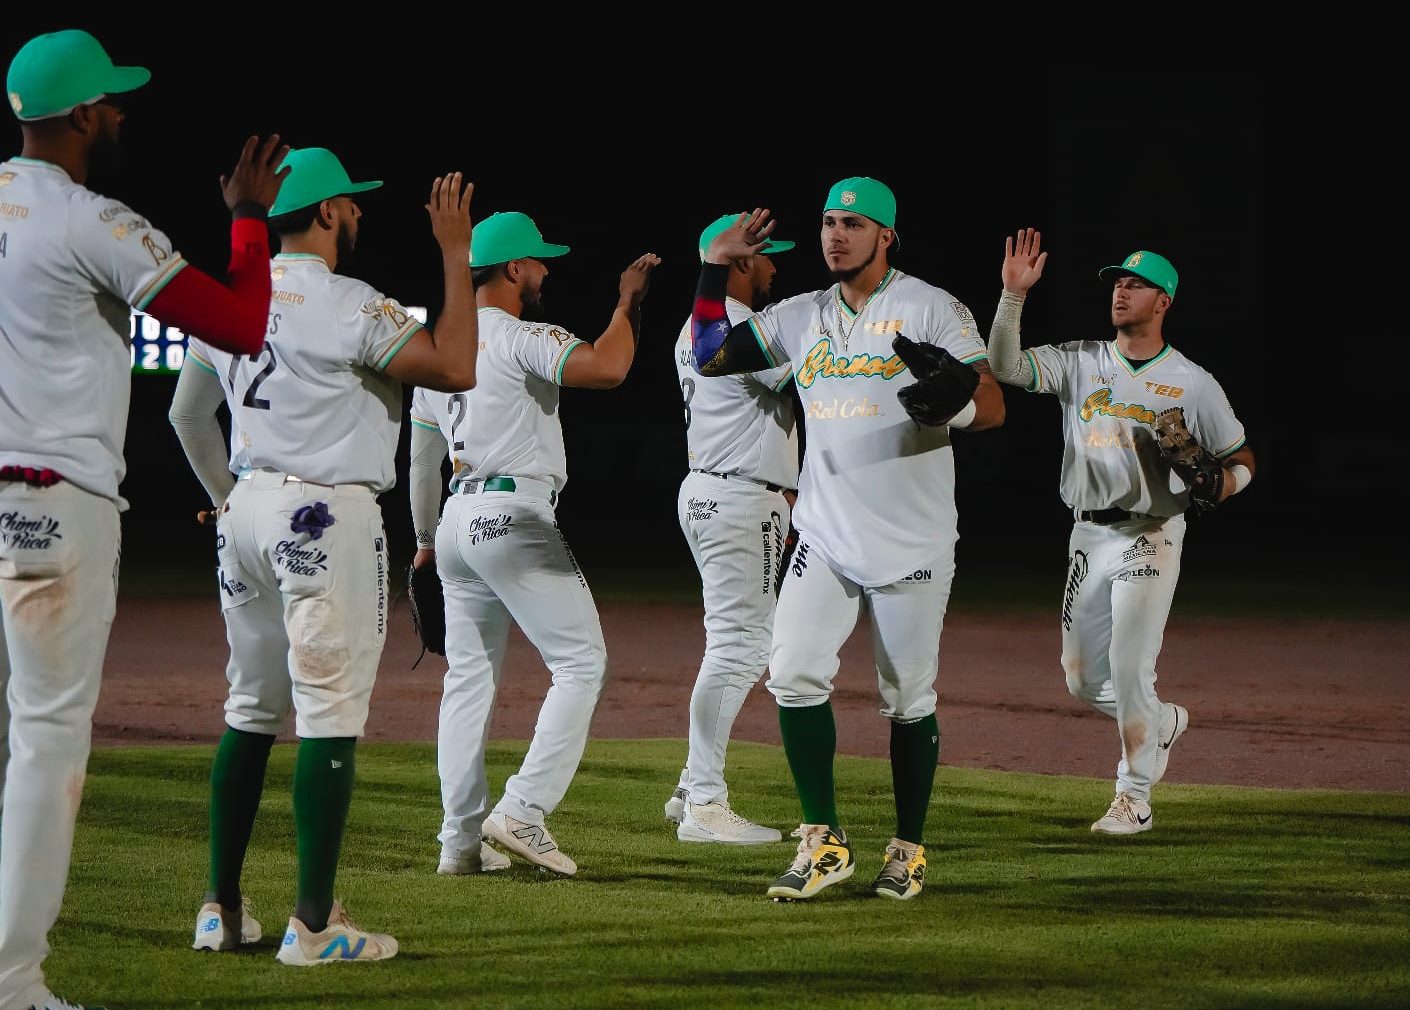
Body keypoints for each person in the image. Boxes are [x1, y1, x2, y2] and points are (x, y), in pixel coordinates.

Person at [0, 28, 289, 1010]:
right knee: (46, 739)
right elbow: (240, 325)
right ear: (83, 115)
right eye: (112, 101)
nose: (121, 113)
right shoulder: (91, 219)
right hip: (53, 501)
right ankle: (15, 980)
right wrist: (247, 219)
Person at [166, 147, 478, 964]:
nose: (360, 212)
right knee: (330, 715)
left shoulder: (234, 295)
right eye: (351, 201)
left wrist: (228, 497)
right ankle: (313, 926)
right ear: (329, 211)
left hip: (247, 509)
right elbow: (456, 367)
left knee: (249, 710)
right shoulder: (350, 302)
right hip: (325, 514)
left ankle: (220, 909)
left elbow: (186, 415)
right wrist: (454, 254)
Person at [689, 178, 1005, 901]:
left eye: (853, 224)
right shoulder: (799, 314)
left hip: (912, 538)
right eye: (829, 221)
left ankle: (909, 848)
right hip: (824, 534)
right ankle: (823, 840)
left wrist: (956, 404)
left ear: (886, 235)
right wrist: (713, 266)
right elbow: (709, 355)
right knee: (793, 673)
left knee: (907, 698)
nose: (836, 234)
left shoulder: (930, 306)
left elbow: (992, 404)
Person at [985, 229, 1255, 834]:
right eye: (1118, 283)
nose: (1121, 292)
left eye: (1137, 285)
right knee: (1082, 679)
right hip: (1087, 535)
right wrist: (1012, 296)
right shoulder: (1080, 360)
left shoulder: (1192, 381)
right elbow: (1004, 366)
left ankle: (1134, 796)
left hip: (1151, 533)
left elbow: (1241, 458)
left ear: (1164, 301)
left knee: (1131, 667)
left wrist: (1224, 484)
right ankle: (1160, 721)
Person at [419, 210, 658, 878]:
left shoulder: (442, 347)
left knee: (467, 682)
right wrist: (627, 304)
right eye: (539, 261)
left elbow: (421, 459)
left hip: (456, 519)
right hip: (513, 513)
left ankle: (459, 844)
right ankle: (523, 808)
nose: (546, 272)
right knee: (581, 663)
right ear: (515, 268)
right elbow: (608, 369)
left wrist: (424, 542)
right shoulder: (523, 335)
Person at [661, 213, 799, 845]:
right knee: (740, 649)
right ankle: (705, 805)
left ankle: (691, 786)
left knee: (731, 644)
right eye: (766, 255)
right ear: (740, 261)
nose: (774, 265)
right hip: (740, 496)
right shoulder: (740, 326)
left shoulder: (696, 326)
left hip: (714, 489)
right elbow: (811, 382)